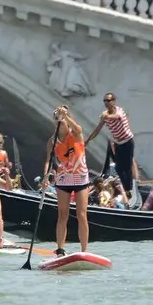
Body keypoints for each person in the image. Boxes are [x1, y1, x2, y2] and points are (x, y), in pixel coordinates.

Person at [41, 105, 89, 256]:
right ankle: (60, 249)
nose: (59, 123)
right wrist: (45, 176)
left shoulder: (75, 134)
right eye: (57, 120)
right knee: (63, 214)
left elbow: (78, 128)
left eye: (61, 120)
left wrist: (66, 116)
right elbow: (48, 160)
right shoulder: (52, 141)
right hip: (63, 179)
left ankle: (84, 251)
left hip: (80, 177)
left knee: (82, 214)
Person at [85, 93, 137, 196]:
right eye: (104, 101)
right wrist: (87, 140)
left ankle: (128, 189)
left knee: (126, 166)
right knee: (118, 167)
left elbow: (117, 117)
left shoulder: (119, 110)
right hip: (118, 143)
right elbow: (97, 129)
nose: (106, 103)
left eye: (108, 100)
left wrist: (106, 116)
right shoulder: (105, 115)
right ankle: (126, 188)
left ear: (113, 101)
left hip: (127, 142)